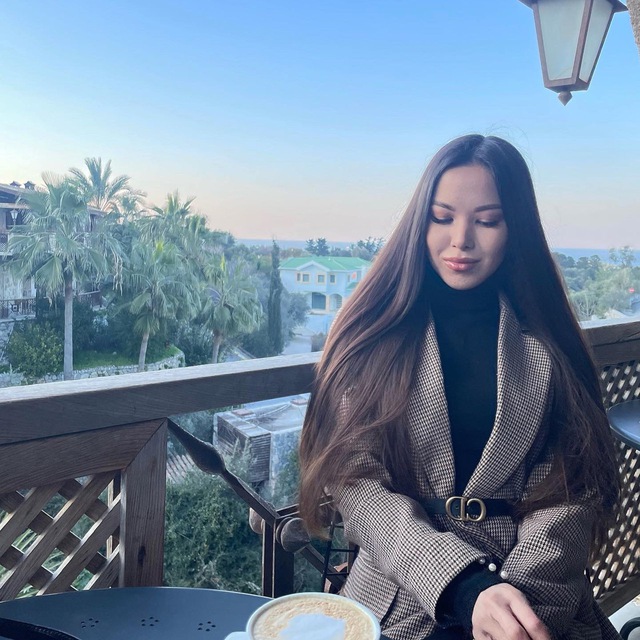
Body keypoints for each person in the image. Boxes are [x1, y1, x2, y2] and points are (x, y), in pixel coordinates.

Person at [298, 134, 620, 640]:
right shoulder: (374, 337)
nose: (461, 240)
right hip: (396, 594)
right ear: (419, 222)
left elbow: (570, 490)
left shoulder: (549, 345)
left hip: (532, 597)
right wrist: (463, 587)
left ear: (515, 229)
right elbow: (356, 484)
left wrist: (510, 607)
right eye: (442, 217)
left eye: (487, 221)